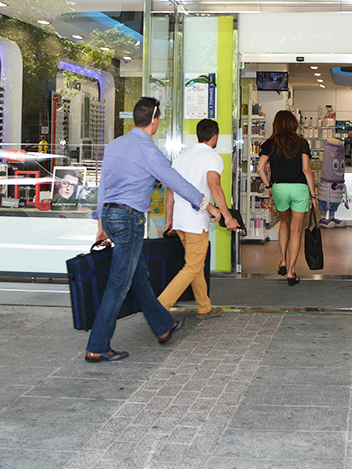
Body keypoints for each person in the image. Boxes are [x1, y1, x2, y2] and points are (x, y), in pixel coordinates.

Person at [85, 96, 221, 363]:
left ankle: (162, 326)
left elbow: (103, 185)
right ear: (155, 121)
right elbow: (175, 182)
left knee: (138, 277)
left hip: (112, 216)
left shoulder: (115, 145)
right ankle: (97, 345)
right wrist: (207, 205)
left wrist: (101, 222)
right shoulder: (148, 149)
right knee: (118, 283)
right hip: (129, 219)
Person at [158, 118, 238, 317]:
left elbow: (170, 193)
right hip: (195, 222)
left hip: (180, 221)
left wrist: (169, 219)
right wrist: (227, 216)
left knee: (196, 265)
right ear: (215, 137)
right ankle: (159, 307)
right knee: (192, 266)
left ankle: (204, 307)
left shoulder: (181, 157)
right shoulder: (213, 158)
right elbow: (215, 187)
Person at [257, 110, 315, 285]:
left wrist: (268, 185)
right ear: (293, 124)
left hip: (279, 188)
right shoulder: (301, 143)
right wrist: (313, 194)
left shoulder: (270, 143)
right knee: (296, 229)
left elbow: (260, 168)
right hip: (300, 189)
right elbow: (306, 170)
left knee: (284, 223)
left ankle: (282, 260)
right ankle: (291, 271)